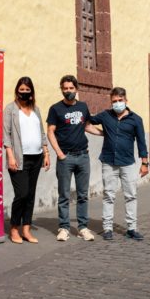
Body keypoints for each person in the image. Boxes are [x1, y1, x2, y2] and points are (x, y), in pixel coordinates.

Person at [89, 87, 148, 241]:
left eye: (120, 101)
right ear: (111, 102)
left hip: (127, 163)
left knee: (131, 195)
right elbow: (87, 120)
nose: (117, 103)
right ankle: (107, 228)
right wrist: (101, 132)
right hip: (108, 162)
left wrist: (145, 163)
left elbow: (142, 142)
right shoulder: (105, 116)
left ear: (126, 100)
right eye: (114, 101)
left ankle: (131, 228)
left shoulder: (136, 119)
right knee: (109, 195)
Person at [46, 75, 95, 242]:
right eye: (65, 88)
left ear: (76, 89)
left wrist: (104, 133)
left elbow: (87, 126)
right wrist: (59, 153)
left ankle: (83, 228)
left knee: (82, 194)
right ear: (61, 89)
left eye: (71, 88)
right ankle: (64, 228)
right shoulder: (55, 109)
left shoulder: (82, 106)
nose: (68, 91)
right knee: (64, 195)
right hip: (65, 157)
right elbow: (50, 131)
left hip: (83, 156)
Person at [3, 77, 50, 244]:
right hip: (19, 159)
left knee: (30, 195)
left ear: (31, 92)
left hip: (36, 157)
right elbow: (6, 135)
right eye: (21, 90)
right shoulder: (10, 109)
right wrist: (10, 156)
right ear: (17, 91)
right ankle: (14, 228)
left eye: (27, 90)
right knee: (21, 194)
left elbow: (42, 133)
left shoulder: (36, 109)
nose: (24, 93)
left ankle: (26, 230)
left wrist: (46, 153)